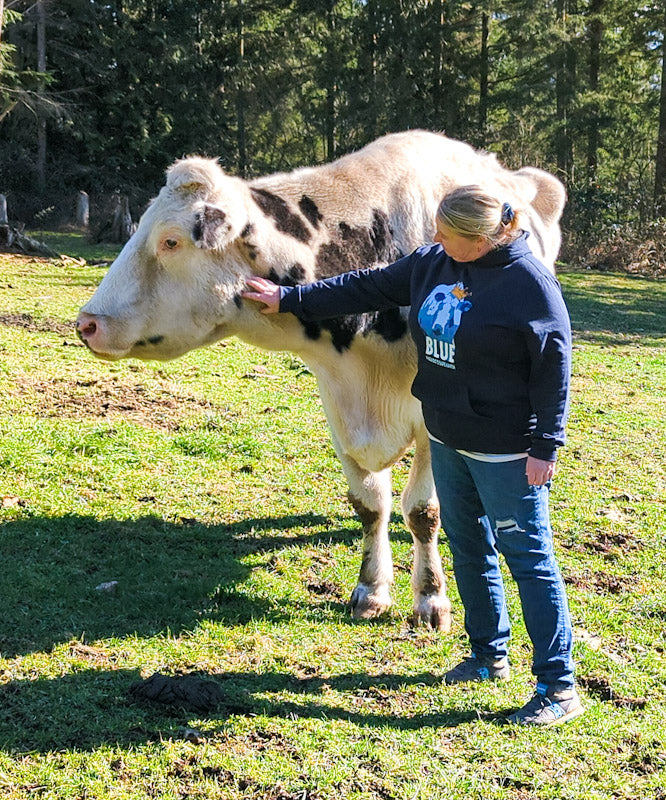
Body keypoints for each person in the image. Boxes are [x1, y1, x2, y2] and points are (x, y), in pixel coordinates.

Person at [242, 185, 582, 727]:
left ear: (484, 238)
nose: (435, 240)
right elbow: (365, 287)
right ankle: (487, 654)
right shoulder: (433, 263)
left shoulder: (529, 285)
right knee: (469, 550)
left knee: (530, 562)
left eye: (447, 234)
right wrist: (289, 300)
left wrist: (546, 445)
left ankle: (558, 686)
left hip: (505, 452)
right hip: (447, 437)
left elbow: (554, 369)